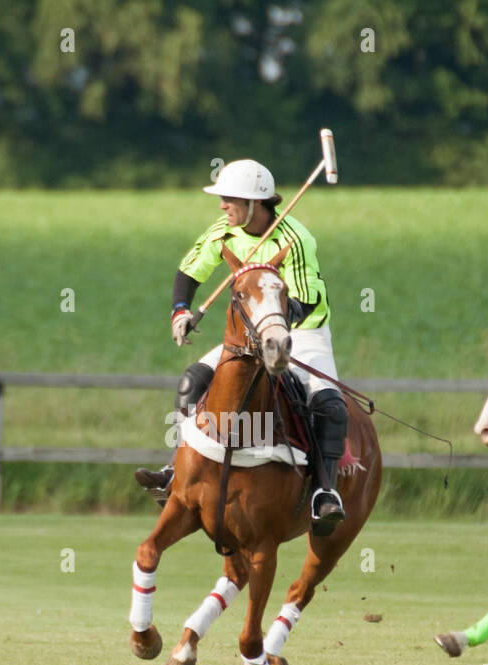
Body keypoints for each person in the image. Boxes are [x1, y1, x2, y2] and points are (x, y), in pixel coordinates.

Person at [134, 159, 350, 533]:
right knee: (192, 381)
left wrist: (273, 325)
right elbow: (189, 272)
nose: (222, 206)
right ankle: (176, 470)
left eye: (229, 199)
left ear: (255, 203)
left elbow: (309, 298)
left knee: (329, 406)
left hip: (301, 333)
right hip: (246, 338)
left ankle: (324, 493)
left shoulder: (295, 240)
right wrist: (180, 311)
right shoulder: (224, 233)